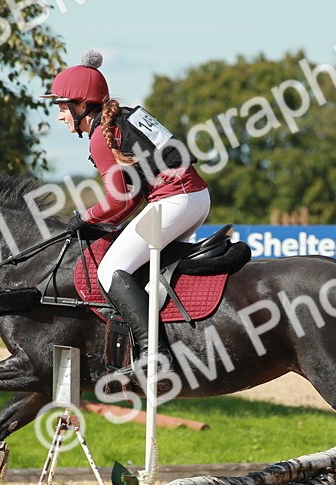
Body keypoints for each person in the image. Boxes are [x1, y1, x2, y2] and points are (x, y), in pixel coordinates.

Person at [43, 49, 211, 380]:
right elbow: (130, 198)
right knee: (142, 268)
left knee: (111, 271)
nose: (60, 115)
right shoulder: (126, 117)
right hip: (196, 197)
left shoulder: (100, 139)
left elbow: (119, 201)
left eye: (63, 107)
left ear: (81, 105)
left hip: (175, 200)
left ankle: (155, 356)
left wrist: (85, 217)